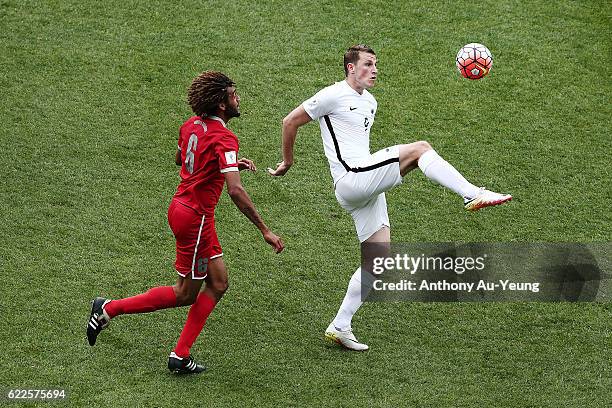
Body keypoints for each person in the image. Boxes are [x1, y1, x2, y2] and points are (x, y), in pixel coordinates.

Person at [268, 44, 511, 351]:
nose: (374, 69)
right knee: (421, 148)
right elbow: (289, 121)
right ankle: (472, 194)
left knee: (378, 259)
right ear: (350, 68)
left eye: (376, 64)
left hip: (364, 183)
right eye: (368, 64)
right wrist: (287, 161)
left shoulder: (370, 102)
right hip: (352, 178)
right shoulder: (331, 94)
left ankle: (341, 324)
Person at [87, 71, 285, 373]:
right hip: (196, 220)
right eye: (234, 94)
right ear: (221, 104)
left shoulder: (190, 125)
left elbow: (182, 159)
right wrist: (264, 229)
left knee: (218, 283)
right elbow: (235, 190)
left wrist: (228, 163)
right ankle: (109, 308)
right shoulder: (225, 136)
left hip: (184, 208)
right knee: (185, 293)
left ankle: (180, 354)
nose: (238, 99)